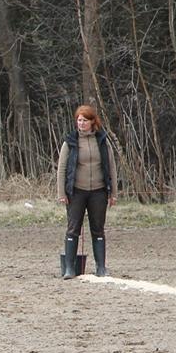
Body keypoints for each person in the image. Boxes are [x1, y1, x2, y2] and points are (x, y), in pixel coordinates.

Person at [56, 104, 118, 278]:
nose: (81, 123)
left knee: (98, 229)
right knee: (73, 228)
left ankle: (101, 267)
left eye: (84, 120)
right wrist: (62, 193)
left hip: (98, 191)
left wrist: (113, 193)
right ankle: (69, 268)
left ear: (92, 122)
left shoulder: (103, 141)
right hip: (76, 191)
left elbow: (111, 167)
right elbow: (61, 169)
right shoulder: (70, 142)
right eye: (79, 120)